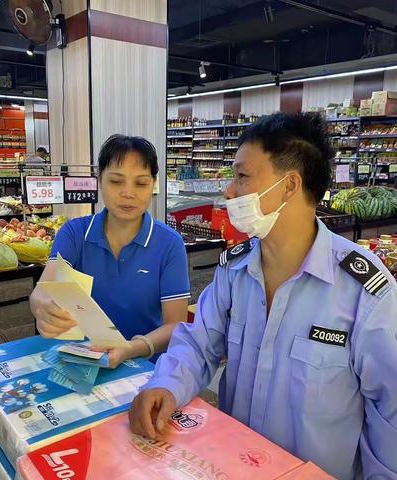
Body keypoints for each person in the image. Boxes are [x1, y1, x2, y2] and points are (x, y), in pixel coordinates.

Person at [129, 113, 397, 480]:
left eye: (242, 177)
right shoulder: (234, 270)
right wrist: (165, 385)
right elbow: (199, 344)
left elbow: (391, 410)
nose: (229, 191)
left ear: (289, 186)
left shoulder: (363, 292)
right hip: (231, 465)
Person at [30, 134, 190, 367]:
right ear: (99, 180)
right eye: (116, 181)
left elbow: (175, 325)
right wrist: (42, 307)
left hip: (144, 368)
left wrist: (129, 349)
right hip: (80, 361)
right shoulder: (74, 234)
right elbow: (44, 290)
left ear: (153, 184)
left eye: (141, 183)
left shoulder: (169, 244)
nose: (128, 193)